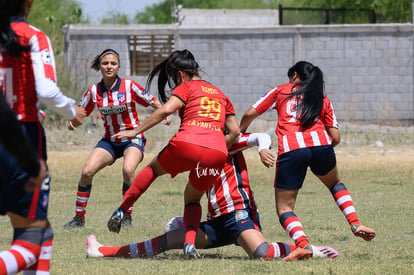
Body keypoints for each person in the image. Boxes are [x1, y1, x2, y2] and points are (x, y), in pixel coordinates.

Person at [86, 132, 339, 261]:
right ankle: (103, 250)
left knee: (261, 253)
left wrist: (263, 149)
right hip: (216, 222)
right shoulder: (195, 152)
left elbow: (262, 135)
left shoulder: (227, 141)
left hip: (240, 214)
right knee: (165, 242)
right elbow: (192, 195)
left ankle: (309, 250)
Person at [106, 49, 240, 258]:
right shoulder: (221, 94)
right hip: (217, 153)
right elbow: (235, 131)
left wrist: (135, 131)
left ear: (180, 74)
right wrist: (213, 146)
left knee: (152, 170)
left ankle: (122, 209)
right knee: (192, 199)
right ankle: (188, 245)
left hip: (186, 143)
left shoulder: (186, 87)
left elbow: (166, 109)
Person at [239, 61, 375, 250]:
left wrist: (240, 132)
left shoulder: (281, 90)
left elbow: (249, 114)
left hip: (292, 149)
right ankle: (355, 223)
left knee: (285, 208)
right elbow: (336, 137)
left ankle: (303, 245)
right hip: (322, 146)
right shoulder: (321, 97)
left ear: (294, 75)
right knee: (335, 184)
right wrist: (321, 150)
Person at [0, 0, 84, 273]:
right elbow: (46, 90)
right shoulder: (33, 36)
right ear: (28, 3)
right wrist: (73, 110)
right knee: (31, 240)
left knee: (40, 228)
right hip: (20, 138)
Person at [63, 48, 170, 229]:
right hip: (110, 140)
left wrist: (164, 113)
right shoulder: (94, 91)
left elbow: (153, 100)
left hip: (132, 138)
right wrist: (73, 121)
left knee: (128, 170)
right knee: (87, 171)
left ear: (119, 66)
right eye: (105, 63)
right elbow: (81, 112)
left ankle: (126, 215)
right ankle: (78, 218)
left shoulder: (129, 86)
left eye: (113, 63)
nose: (109, 66)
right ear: (99, 66)